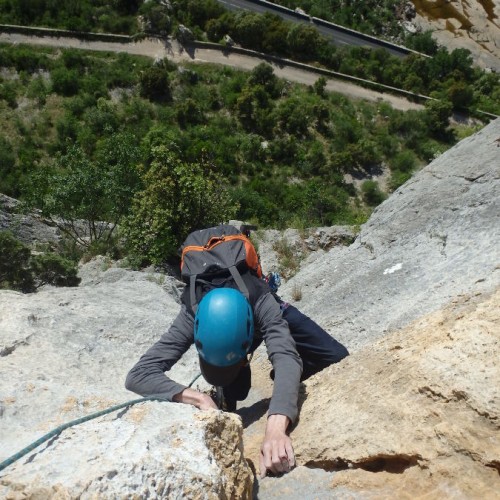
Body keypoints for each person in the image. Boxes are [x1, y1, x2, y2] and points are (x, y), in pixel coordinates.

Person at [125, 231, 348, 479]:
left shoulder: (262, 300)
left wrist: (276, 427)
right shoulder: (191, 314)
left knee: (334, 356)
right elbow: (138, 375)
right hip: (239, 320)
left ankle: (283, 379)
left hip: (258, 307)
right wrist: (198, 399)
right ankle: (225, 392)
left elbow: (284, 353)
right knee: (236, 392)